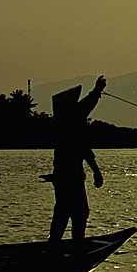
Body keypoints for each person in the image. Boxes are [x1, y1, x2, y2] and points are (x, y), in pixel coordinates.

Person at [47, 75, 106, 241]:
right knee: (77, 212)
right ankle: (76, 247)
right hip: (71, 177)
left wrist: (97, 91)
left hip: (62, 177)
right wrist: (97, 90)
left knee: (63, 211)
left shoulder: (63, 122)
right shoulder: (71, 122)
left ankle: (55, 245)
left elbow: (86, 106)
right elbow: (84, 151)